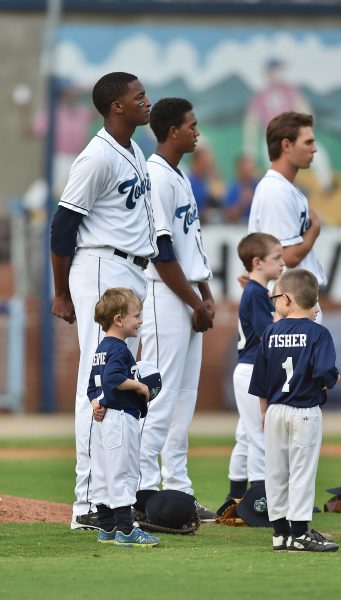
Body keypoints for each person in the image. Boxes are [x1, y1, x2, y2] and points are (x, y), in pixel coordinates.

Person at [50, 72, 157, 529]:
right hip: (99, 266)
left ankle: (107, 496)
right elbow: (62, 226)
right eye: (139, 97)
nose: (147, 102)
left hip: (129, 267)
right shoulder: (96, 157)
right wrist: (60, 292)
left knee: (114, 380)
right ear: (117, 106)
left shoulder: (133, 150)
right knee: (96, 385)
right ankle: (88, 503)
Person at [138, 97, 216, 522]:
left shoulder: (177, 174)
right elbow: (161, 252)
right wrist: (194, 301)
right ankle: (144, 493)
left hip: (185, 295)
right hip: (164, 296)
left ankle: (179, 492)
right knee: (160, 396)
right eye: (192, 125)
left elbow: (191, 246)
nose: (197, 131)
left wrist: (205, 293)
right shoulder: (155, 176)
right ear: (173, 131)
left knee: (183, 399)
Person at [249, 269, 340, 552]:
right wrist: (329, 383)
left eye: (276, 297)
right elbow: (326, 370)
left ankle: (280, 534)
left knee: (275, 471)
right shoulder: (319, 333)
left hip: (275, 409)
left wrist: (264, 412)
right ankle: (300, 533)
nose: (274, 301)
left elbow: (260, 380)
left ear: (287, 299)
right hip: (305, 410)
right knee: (301, 472)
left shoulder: (271, 332)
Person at [87, 288, 160, 547]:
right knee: (123, 473)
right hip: (120, 418)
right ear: (119, 320)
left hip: (104, 419)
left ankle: (107, 529)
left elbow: (92, 388)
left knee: (104, 472)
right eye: (136, 316)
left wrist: (97, 403)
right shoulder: (118, 348)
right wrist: (140, 387)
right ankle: (127, 532)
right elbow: (113, 379)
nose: (140, 321)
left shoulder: (101, 349)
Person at [248, 111, 326, 322]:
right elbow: (287, 256)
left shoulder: (284, 187)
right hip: (290, 305)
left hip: (295, 301)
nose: (314, 149)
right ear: (286, 145)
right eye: (308, 142)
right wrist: (314, 231)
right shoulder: (276, 190)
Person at [224, 233, 284, 503]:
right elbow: (266, 335)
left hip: (247, 368)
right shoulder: (257, 293)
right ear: (257, 262)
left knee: (246, 434)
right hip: (251, 369)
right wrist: (283, 314)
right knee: (260, 434)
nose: (283, 263)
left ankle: (235, 497)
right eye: (277, 258)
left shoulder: (257, 291)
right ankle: (261, 498)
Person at [243, 59, 335, 195]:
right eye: (275, 70)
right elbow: (251, 122)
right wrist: (250, 149)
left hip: (289, 135)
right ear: (269, 72)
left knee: (317, 154)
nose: (278, 74)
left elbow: (304, 109)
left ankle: (326, 186)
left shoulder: (288, 90)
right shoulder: (262, 95)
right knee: (278, 178)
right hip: (273, 138)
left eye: (279, 70)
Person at [188, 146, 225, 223]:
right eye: (205, 160)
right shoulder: (188, 181)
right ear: (196, 161)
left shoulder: (206, 181)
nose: (208, 163)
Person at [222, 154, 259, 223]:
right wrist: (242, 203)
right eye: (246, 167)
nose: (249, 169)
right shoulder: (232, 188)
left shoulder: (258, 186)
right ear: (238, 169)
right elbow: (228, 216)